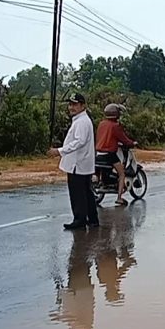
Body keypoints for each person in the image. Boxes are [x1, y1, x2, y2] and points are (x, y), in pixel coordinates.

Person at [50, 93, 99, 230]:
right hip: (81, 163)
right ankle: (92, 218)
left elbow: (79, 141)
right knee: (86, 192)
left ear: (83, 106)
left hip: (78, 164)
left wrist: (60, 151)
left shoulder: (82, 122)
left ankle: (80, 219)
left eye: (75, 104)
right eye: (70, 104)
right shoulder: (80, 120)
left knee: (78, 194)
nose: (71, 107)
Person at [96, 103, 135, 206]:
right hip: (109, 155)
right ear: (117, 114)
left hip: (98, 154)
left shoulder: (101, 124)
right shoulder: (115, 126)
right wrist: (132, 143)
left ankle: (102, 182)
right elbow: (124, 139)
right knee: (122, 173)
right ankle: (119, 198)